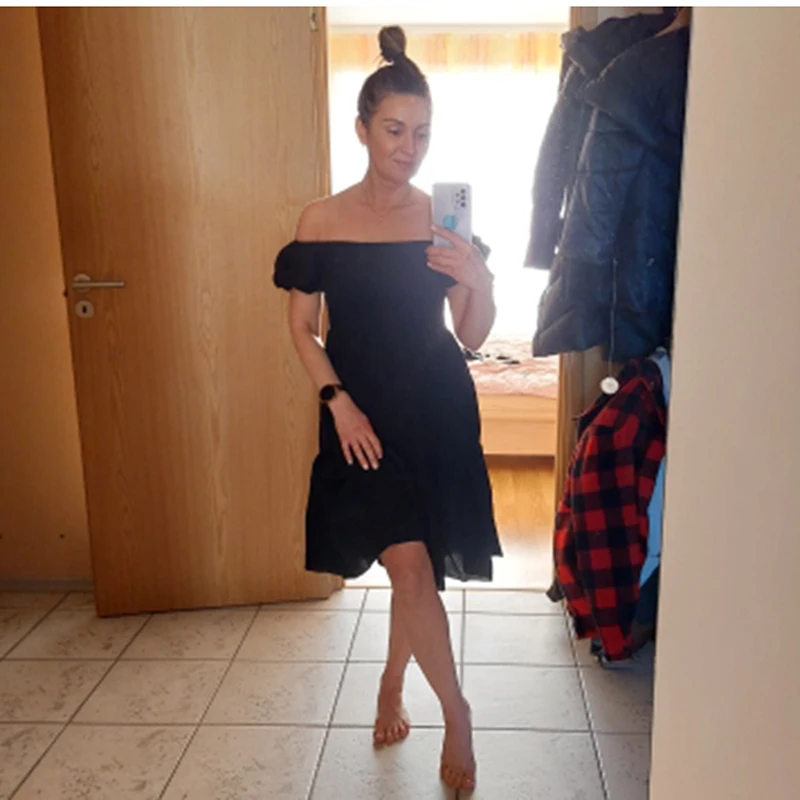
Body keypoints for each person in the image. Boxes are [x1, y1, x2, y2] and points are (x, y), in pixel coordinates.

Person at [273, 25, 502, 792]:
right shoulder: (320, 221)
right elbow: (302, 328)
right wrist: (337, 403)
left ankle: (394, 685)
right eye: (395, 130)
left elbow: (471, 335)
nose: (410, 148)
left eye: (423, 132)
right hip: (359, 416)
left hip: (436, 407)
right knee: (407, 563)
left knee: (416, 565)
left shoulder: (442, 220)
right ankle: (458, 713)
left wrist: (477, 279)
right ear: (362, 129)